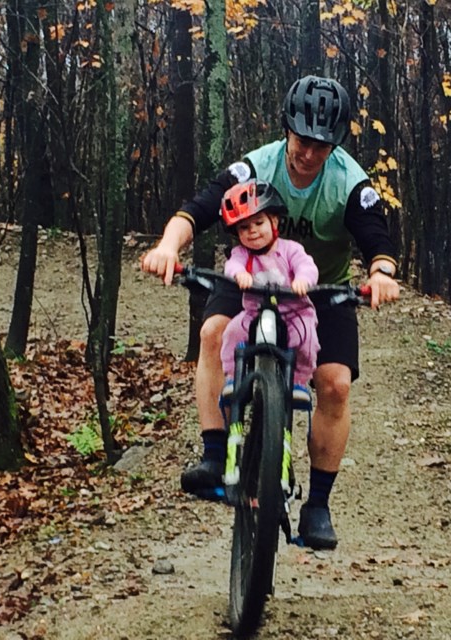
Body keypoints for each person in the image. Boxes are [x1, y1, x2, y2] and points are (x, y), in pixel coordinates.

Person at [142, 75, 400, 550]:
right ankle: (216, 453)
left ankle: (317, 504)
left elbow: (377, 240)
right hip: (250, 279)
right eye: (302, 141)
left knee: (335, 383)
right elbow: (197, 210)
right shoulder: (255, 169)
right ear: (287, 130)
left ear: (335, 144)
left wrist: (381, 273)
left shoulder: (349, 181)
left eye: (320, 146)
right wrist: (165, 246)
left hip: (319, 289)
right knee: (213, 332)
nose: (308, 154)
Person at [218, 179, 320, 403]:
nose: (252, 231)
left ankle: (299, 382)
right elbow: (231, 265)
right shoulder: (242, 254)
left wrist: (303, 280)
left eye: (258, 223)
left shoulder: (290, 249)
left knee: (306, 338)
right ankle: (232, 377)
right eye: (244, 227)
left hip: (294, 312)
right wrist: (239, 275)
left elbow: (307, 266)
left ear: (274, 221)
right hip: (254, 312)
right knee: (232, 332)